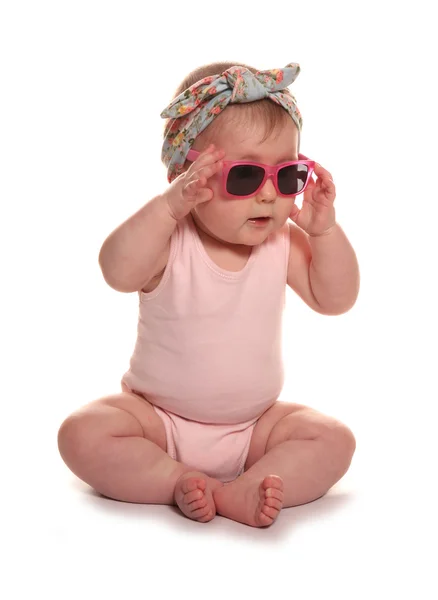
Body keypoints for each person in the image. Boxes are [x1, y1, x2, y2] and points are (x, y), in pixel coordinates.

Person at [58, 61, 360, 528]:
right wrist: (167, 210)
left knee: (334, 440)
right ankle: (174, 479)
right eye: (244, 177)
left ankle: (247, 485)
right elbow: (115, 270)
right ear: (185, 178)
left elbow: (335, 298)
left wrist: (325, 233)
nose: (267, 196)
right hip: (158, 421)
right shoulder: (170, 241)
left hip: (255, 428)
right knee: (83, 433)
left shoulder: (281, 244)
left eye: (286, 178)